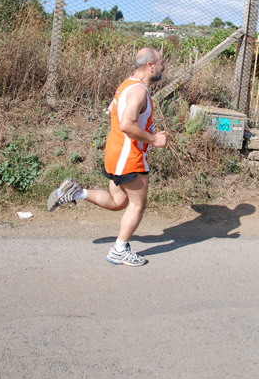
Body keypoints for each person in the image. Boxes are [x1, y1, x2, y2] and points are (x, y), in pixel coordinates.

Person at [47, 47, 168, 266]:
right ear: (150, 66)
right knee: (137, 205)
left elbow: (112, 107)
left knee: (118, 201)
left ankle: (76, 193)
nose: (163, 66)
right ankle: (119, 250)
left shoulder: (126, 84)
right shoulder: (139, 91)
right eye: (161, 62)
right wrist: (153, 139)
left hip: (114, 152)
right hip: (130, 157)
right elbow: (126, 124)